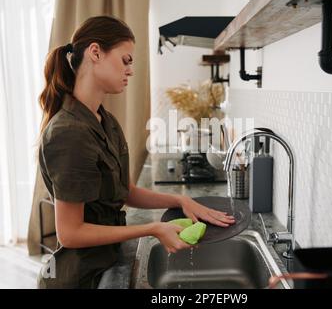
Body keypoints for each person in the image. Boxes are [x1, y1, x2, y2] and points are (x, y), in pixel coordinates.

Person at [36, 15, 235, 289]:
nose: (130, 70)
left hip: (108, 262)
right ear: (95, 52)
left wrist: (180, 201)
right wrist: (153, 228)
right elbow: (70, 233)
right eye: (125, 60)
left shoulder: (105, 120)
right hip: (80, 278)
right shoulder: (68, 132)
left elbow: (125, 191)